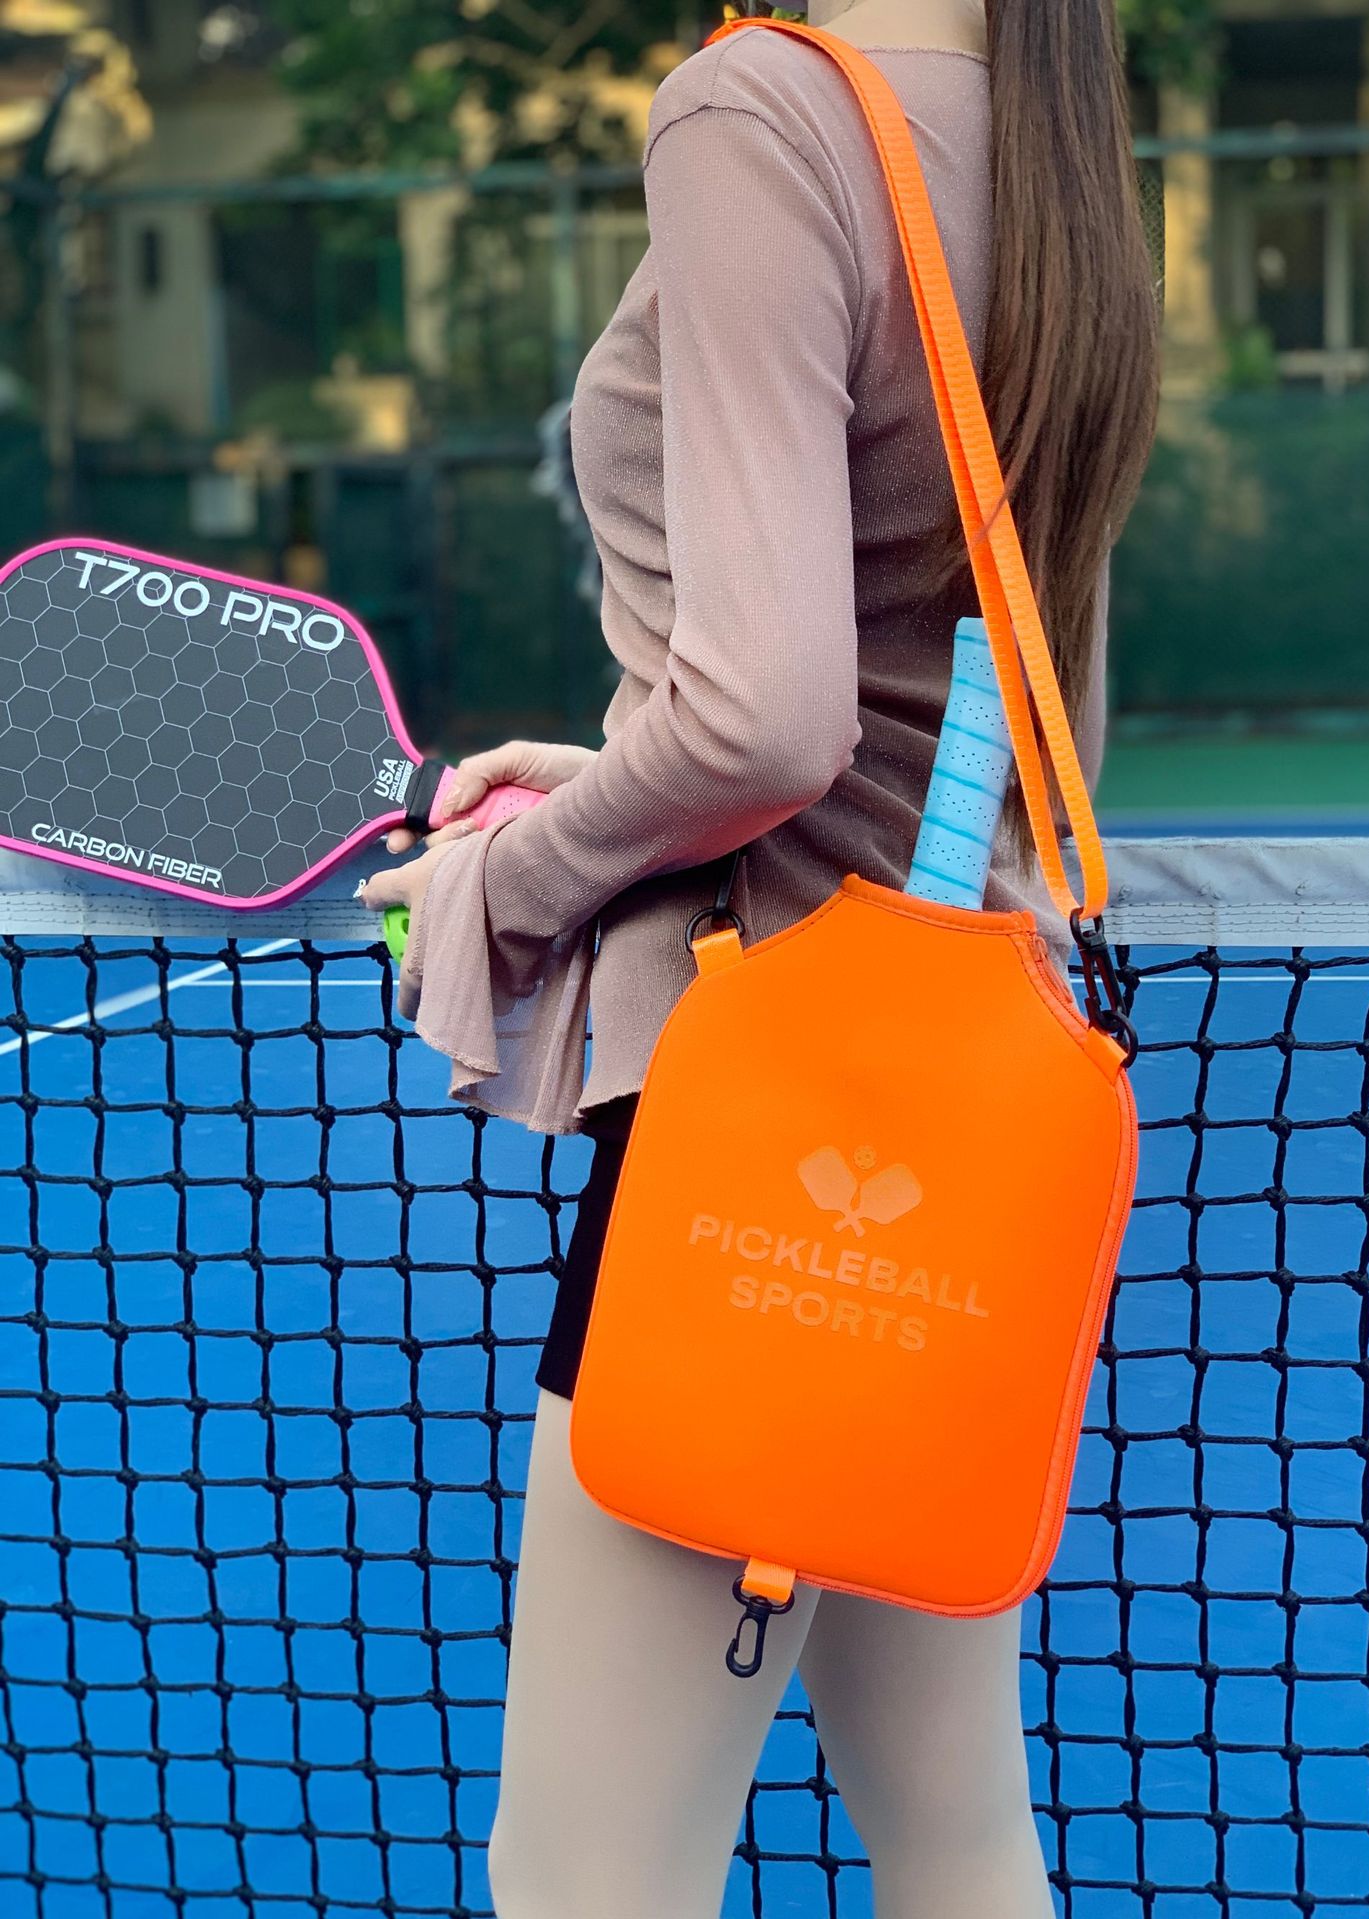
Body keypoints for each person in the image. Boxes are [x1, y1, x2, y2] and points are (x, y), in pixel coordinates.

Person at [360, 0, 1159, 1910]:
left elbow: (768, 721)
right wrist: (619, 776)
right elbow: (1013, 721)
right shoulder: (1053, 135)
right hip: (959, 1140)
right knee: (961, 1845)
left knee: (583, 1885)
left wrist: (517, 882)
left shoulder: (760, 111)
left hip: (752, 1144)